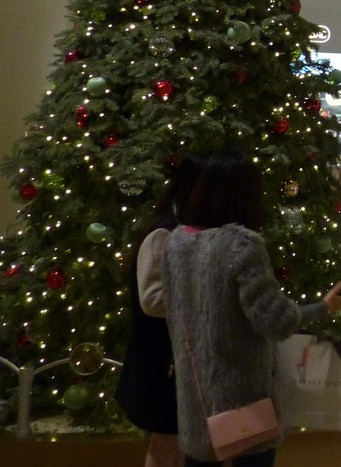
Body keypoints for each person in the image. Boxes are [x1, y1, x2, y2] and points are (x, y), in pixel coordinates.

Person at [162, 151, 341, 467]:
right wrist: (322, 307)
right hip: (241, 395)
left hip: (195, 394)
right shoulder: (241, 245)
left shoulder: (176, 242)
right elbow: (276, 321)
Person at [116, 154, 206, 467]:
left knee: (182, 440)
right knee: (166, 440)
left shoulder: (193, 230)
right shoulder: (163, 234)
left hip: (178, 357)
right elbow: (152, 300)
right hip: (161, 359)